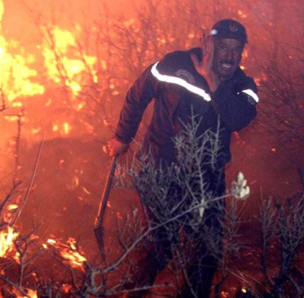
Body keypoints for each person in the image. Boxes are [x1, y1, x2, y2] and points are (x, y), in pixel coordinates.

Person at [107, 19, 259, 297]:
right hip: (161, 170)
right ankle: (131, 293)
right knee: (159, 246)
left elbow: (238, 118)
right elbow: (137, 95)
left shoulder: (243, 86)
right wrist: (121, 137)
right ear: (208, 44)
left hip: (207, 178)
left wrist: (212, 81)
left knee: (207, 251)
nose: (229, 55)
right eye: (223, 47)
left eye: (236, 49)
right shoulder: (173, 65)